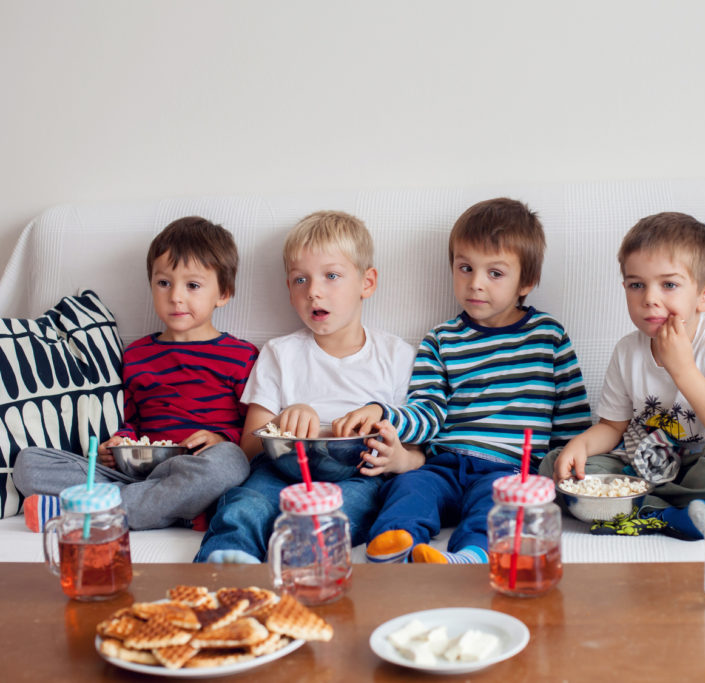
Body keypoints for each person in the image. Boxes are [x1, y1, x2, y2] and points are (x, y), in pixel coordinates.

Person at [336, 197, 591, 564]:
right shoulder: (441, 339)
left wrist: (563, 477)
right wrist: (383, 413)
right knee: (408, 487)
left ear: (527, 281)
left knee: (499, 507)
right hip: (444, 465)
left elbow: (571, 417)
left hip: (509, 470)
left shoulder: (548, 336)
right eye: (465, 268)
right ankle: (394, 545)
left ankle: (470, 557)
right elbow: (427, 411)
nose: (476, 284)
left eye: (495, 273)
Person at [194, 210, 418, 564]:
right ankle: (223, 579)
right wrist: (283, 418)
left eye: (331, 276)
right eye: (300, 280)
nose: (314, 291)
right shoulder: (280, 354)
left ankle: (303, 583)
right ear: (289, 288)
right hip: (278, 471)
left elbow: (421, 450)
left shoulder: (396, 356)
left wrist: (400, 459)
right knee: (243, 506)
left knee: (331, 517)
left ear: (367, 282)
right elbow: (249, 447)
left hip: (358, 478)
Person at [14, 216, 258, 531]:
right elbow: (133, 421)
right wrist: (119, 444)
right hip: (139, 470)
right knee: (29, 464)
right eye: (164, 283)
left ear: (223, 293)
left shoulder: (241, 356)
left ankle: (100, 510)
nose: (176, 296)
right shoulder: (136, 355)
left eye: (193, 285)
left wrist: (221, 439)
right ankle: (171, 508)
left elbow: (252, 433)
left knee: (230, 464)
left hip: (199, 465)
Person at [542, 212, 705, 539]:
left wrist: (683, 369)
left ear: (704, 295)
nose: (649, 298)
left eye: (669, 284)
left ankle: (637, 508)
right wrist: (581, 444)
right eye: (637, 285)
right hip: (646, 467)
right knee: (556, 465)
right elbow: (612, 428)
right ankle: (666, 512)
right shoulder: (627, 351)